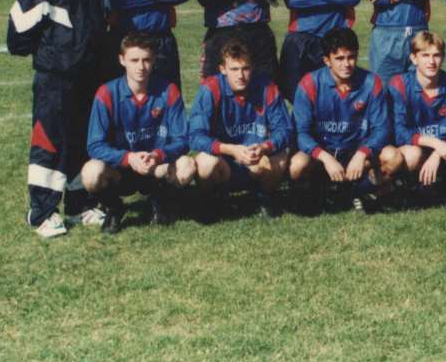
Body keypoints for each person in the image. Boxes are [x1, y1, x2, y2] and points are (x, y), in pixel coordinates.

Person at [8, 0, 108, 238]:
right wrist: (53, 55)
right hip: (54, 80)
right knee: (49, 142)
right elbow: (17, 36)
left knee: (81, 141)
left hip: (88, 78)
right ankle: (41, 212)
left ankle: (79, 205)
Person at [82, 33, 195, 233]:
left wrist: (158, 155)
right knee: (91, 173)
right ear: (122, 60)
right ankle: (114, 207)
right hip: (121, 170)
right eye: (134, 60)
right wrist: (128, 158)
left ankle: (160, 200)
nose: (141, 67)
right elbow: (95, 145)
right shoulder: (106, 93)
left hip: (155, 166)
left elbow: (183, 140)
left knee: (187, 165)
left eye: (146, 60)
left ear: (154, 60)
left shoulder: (169, 90)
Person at [289, 28, 391, 213]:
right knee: (297, 165)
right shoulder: (309, 83)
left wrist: (362, 153)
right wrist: (325, 158)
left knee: (392, 157)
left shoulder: (372, 82)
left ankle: (358, 192)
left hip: (355, 152)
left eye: (351, 57)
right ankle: (317, 191)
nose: (347, 64)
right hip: (323, 153)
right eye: (339, 58)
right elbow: (301, 133)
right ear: (327, 60)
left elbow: (381, 129)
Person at [188, 39, 292, 220]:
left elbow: (285, 130)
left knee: (281, 157)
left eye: (245, 68)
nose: (241, 76)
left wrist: (264, 147)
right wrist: (230, 149)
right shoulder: (211, 89)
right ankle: (212, 199)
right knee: (205, 163)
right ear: (223, 69)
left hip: (256, 161)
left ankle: (263, 198)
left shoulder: (267, 87)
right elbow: (195, 136)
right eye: (234, 69)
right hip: (224, 163)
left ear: (253, 67)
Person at [384, 31, 446, 206]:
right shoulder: (399, 84)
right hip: (418, 148)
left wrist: (439, 152)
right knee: (411, 155)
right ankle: (409, 187)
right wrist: (434, 143)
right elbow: (398, 132)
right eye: (425, 55)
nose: (431, 61)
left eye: (436, 55)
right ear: (413, 58)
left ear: (443, 57)